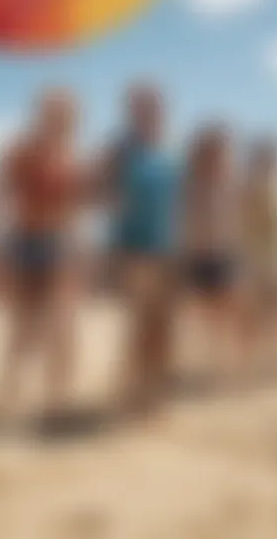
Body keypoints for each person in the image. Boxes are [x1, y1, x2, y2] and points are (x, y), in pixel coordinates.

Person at [0, 89, 85, 423]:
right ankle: (9, 395)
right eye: (55, 112)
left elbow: (75, 208)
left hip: (58, 243)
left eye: (66, 113)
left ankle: (57, 402)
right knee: (24, 328)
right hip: (27, 241)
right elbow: (6, 193)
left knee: (63, 328)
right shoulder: (23, 151)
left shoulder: (72, 156)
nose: (61, 119)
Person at [101, 84, 176, 416]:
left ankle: (152, 393)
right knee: (139, 323)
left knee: (163, 326)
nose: (150, 112)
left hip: (169, 248)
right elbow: (100, 192)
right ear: (132, 111)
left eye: (155, 105)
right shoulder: (120, 150)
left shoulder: (170, 150)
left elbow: (180, 200)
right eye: (143, 106)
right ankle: (130, 393)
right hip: (133, 247)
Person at [180, 124, 243, 381]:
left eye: (220, 150)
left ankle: (222, 363)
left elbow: (238, 222)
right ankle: (207, 361)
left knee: (225, 312)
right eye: (212, 150)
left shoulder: (231, 182)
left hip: (224, 254)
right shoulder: (190, 183)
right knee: (201, 313)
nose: (216, 155)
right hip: (197, 255)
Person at [241, 137, 277, 375]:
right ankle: (254, 360)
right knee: (255, 314)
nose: (272, 162)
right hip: (255, 260)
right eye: (268, 157)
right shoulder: (249, 187)